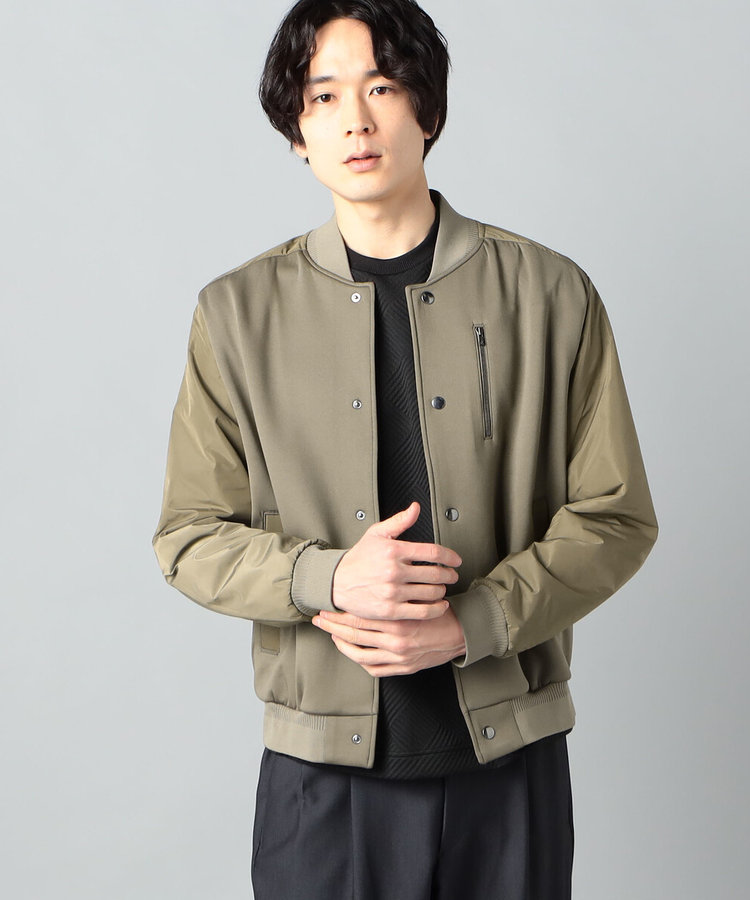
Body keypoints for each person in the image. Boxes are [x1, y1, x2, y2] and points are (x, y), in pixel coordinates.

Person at [152, 0, 658, 896]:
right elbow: (188, 537)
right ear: (297, 132)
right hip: (321, 779)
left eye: (382, 86)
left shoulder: (549, 293)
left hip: (509, 764)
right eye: (323, 96)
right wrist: (327, 578)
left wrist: (477, 621)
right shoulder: (235, 315)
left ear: (428, 107)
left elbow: (615, 518)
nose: (356, 119)